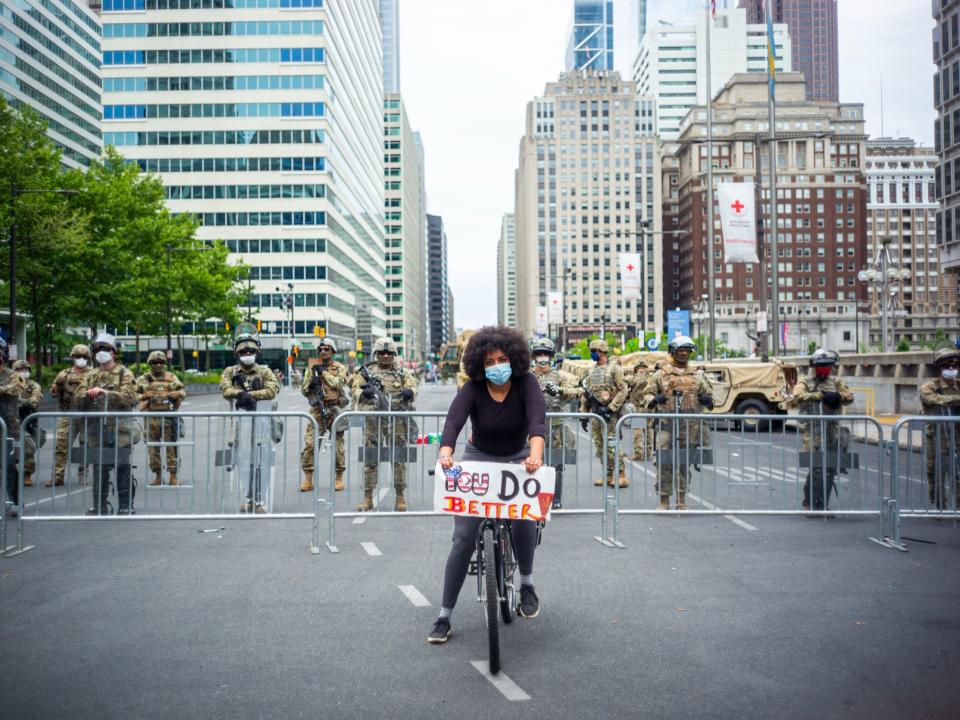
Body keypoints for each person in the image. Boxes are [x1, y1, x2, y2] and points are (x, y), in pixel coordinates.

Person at [428, 326, 546, 644]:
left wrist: (534, 457)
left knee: (523, 517)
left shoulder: (527, 384)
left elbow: (537, 423)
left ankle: (526, 584)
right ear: (480, 364)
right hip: (479, 457)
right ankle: (444, 616)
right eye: (490, 361)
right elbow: (453, 422)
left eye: (502, 359)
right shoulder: (473, 388)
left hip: (519, 457)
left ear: (515, 360)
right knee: (463, 537)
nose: (496, 366)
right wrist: (446, 452)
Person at [350, 337, 418, 512]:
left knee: (399, 458)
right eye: (382, 352)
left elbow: (413, 387)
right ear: (376, 354)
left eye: (389, 353)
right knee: (370, 458)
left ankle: (400, 497)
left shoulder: (402, 372)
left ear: (394, 354)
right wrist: (363, 393)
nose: (386, 355)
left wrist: (410, 392)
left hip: (396, 421)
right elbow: (354, 388)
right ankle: (367, 498)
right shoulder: (366, 372)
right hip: (373, 421)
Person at [646, 336, 714, 510]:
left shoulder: (697, 375)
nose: (684, 353)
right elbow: (646, 394)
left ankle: (681, 499)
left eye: (687, 350)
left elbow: (710, 396)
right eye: (680, 350)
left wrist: (707, 400)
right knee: (664, 462)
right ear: (673, 351)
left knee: (684, 462)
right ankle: (664, 500)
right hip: (666, 425)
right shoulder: (661, 374)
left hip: (689, 426)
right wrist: (654, 400)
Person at [74, 334, 138, 515]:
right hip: (96, 429)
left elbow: (130, 397)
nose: (102, 353)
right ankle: (99, 505)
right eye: (98, 349)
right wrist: (88, 394)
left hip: (120, 428)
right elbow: (78, 398)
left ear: (114, 352)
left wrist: (106, 393)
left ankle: (126, 505)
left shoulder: (124, 373)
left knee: (123, 467)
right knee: (99, 467)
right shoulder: (91, 375)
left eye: (106, 349)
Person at [784, 349, 854, 512]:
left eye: (827, 366)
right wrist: (820, 395)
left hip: (832, 430)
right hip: (813, 431)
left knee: (830, 469)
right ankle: (809, 502)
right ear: (814, 366)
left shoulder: (837, 382)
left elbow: (849, 397)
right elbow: (797, 396)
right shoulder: (806, 382)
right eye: (820, 366)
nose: (824, 369)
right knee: (815, 467)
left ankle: (823, 503)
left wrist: (838, 397)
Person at [219, 331, 280, 513]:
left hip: (262, 425)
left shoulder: (264, 371)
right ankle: (247, 498)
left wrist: (250, 395)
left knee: (262, 462)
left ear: (257, 353)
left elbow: (272, 390)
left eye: (250, 352)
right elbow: (225, 389)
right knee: (244, 463)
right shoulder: (230, 372)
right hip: (240, 426)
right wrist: (240, 394)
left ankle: (260, 500)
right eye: (243, 352)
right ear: (237, 354)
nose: (247, 355)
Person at [530, 337, 580, 509]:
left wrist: (559, 390)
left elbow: (576, 390)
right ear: (534, 356)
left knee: (556, 465)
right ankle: (533, 496)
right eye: (539, 354)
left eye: (546, 354)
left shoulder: (559, 376)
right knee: (533, 462)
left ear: (551, 356)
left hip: (556, 426)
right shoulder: (528, 377)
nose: (542, 357)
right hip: (533, 427)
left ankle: (555, 498)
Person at [578, 339, 629, 488]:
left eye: (594, 351)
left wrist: (610, 408)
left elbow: (623, 390)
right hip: (595, 413)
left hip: (609, 414)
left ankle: (621, 475)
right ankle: (607, 475)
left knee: (612, 444)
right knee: (600, 446)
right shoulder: (590, 370)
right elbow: (585, 393)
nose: (592, 354)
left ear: (601, 352)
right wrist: (584, 414)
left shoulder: (614, 369)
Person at [299, 338, 347, 493]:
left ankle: (338, 478)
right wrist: (310, 384)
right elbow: (304, 390)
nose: (323, 352)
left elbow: (338, 384)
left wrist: (323, 373)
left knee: (338, 446)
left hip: (335, 410)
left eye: (327, 349)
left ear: (333, 351)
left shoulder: (339, 367)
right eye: (320, 349)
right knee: (310, 444)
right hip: (317, 411)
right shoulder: (312, 368)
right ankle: (308, 479)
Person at [136, 351, 186, 487]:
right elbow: (133, 396)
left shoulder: (171, 377)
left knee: (172, 449)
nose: (158, 365)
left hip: (169, 419)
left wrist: (177, 393)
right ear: (150, 363)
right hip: (151, 419)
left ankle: (173, 476)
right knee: (153, 450)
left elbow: (183, 391)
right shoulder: (143, 379)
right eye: (155, 362)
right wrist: (145, 395)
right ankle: (157, 476)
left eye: (161, 362)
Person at [919, 346, 960, 509]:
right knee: (936, 471)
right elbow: (929, 398)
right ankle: (940, 505)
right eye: (947, 366)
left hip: (957, 435)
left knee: (957, 473)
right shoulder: (931, 386)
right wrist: (955, 400)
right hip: (937, 436)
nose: (952, 369)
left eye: (954, 366)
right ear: (940, 367)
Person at [49, 344, 92, 487]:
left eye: (84, 357)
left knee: (86, 446)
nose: (81, 359)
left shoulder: (93, 373)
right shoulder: (64, 374)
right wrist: (56, 387)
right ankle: (57, 476)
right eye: (78, 356)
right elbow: (54, 392)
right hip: (68, 413)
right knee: (61, 444)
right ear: (72, 357)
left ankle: (82, 473)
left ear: (88, 358)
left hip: (87, 414)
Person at [0, 339, 25, 517]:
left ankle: (16, 502)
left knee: (9, 467)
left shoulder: (13, 375)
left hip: (8, 429)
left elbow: (15, 388)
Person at [13, 360, 42, 487]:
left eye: (26, 370)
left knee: (29, 447)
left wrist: (21, 401)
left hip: (26, 420)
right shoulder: (8, 383)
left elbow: (34, 401)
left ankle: (26, 474)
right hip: (9, 420)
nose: (23, 372)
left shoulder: (34, 386)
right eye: (20, 370)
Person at [627, 363, 653, 461]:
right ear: (636, 369)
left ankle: (646, 453)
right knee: (638, 430)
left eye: (643, 368)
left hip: (646, 408)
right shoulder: (633, 378)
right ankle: (639, 453)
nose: (641, 370)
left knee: (647, 430)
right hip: (637, 408)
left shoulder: (649, 378)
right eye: (639, 368)